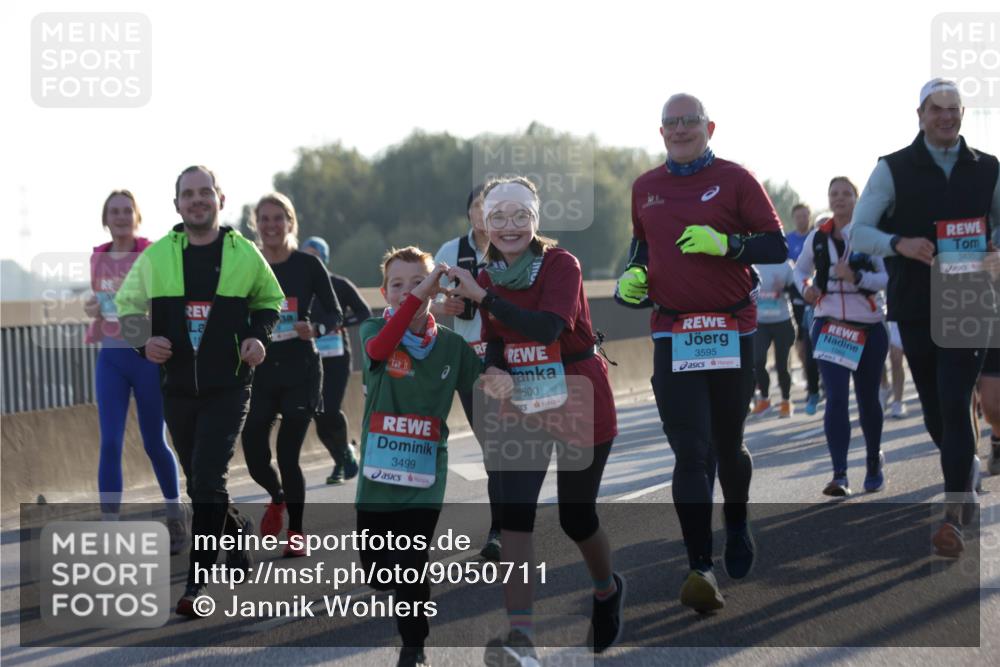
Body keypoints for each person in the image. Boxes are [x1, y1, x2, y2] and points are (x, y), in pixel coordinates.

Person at [616, 93, 787, 613]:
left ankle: (736, 521)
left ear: (709, 127)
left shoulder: (737, 179)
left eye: (691, 121)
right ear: (661, 131)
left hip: (733, 328)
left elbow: (777, 246)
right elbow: (643, 246)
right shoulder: (645, 187)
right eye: (672, 123)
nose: (681, 129)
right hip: (673, 330)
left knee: (727, 444)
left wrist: (728, 245)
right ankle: (700, 568)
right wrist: (633, 275)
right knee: (691, 450)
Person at [447, 175, 624, 662]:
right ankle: (521, 637)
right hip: (522, 401)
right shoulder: (484, 276)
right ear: (484, 221)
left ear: (534, 220)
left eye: (519, 216)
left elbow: (547, 326)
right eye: (497, 216)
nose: (507, 226)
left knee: (576, 517)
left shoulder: (561, 264)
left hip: (577, 392)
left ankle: (606, 590)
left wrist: (484, 299)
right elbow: (498, 339)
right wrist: (493, 370)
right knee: (516, 515)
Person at [116, 165, 284, 616]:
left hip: (228, 385)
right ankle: (236, 528)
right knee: (200, 484)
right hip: (177, 387)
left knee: (208, 479)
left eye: (204, 192)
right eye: (188, 194)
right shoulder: (157, 257)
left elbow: (271, 301)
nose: (197, 200)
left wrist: (258, 338)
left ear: (220, 199)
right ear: (176, 205)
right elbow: (126, 305)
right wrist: (142, 340)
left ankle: (196, 585)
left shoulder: (244, 252)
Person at [850, 78, 1000, 557]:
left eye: (954, 110)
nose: (947, 118)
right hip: (914, 302)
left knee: (956, 400)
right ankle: (966, 468)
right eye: (938, 110)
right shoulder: (892, 169)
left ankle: (953, 514)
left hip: (970, 299)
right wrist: (900, 245)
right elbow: (859, 233)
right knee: (937, 410)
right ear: (920, 114)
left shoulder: (989, 168)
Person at [356, 247, 481, 667]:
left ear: (436, 287)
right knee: (377, 573)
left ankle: (414, 649)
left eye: (419, 281)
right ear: (384, 292)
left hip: (425, 480)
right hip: (377, 481)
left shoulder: (451, 347)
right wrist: (421, 295)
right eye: (398, 284)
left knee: (413, 565)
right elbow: (378, 351)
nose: (409, 290)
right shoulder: (374, 330)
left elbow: (486, 387)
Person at [84, 190, 188, 551]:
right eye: (114, 211)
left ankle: (175, 515)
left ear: (137, 216)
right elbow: (103, 303)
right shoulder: (98, 257)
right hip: (110, 358)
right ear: (106, 217)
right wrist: (94, 308)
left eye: (127, 210)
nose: (121, 216)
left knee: (153, 441)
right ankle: (109, 526)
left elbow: (166, 298)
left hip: (146, 358)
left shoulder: (151, 252)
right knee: (110, 442)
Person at [240, 194, 342, 555]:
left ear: (290, 223)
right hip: (261, 372)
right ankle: (277, 496)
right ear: (256, 224)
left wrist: (314, 328)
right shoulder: (248, 265)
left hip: (301, 369)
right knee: (253, 451)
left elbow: (335, 314)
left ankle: (296, 533)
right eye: (264, 219)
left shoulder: (308, 266)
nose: (271, 225)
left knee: (287, 454)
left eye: (278, 218)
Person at [795, 177, 889, 496]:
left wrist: (857, 276)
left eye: (846, 193)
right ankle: (840, 475)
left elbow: (886, 277)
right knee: (835, 397)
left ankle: (874, 461)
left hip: (868, 326)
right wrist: (806, 289)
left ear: (856, 199)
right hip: (829, 323)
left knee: (867, 400)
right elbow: (799, 270)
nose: (839, 198)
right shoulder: (817, 238)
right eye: (834, 194)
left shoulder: (868, 235)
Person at [431, 184, 503, 561]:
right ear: (470, 213)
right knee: (492, 446)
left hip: (510, 358)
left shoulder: (513, 247)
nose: (485, 212)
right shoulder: (450, 253)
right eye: (479, 205)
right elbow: (426, 299)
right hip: (468, 362)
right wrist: (446, 306)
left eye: (492, 206)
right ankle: (502, 525)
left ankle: (503, 526)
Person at [300, 236, 372, 484]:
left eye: (315, 255)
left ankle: (342, 459)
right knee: (318, 414)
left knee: (330, 408)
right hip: (310, 358)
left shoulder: (339, 285)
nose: (310, 260)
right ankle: (341, 459)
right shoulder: (299, 286)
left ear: (324, 258)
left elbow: (364, 312)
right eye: (305, 255)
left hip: (338, 357)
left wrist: (340, 324)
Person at [787, 203, 823, 414]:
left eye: (805, 215)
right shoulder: (788, 240)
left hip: (818, 298)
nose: (802, 219)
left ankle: (817, 382)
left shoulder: (817, 236)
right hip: (797, 297)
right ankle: (812, 376)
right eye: (798, 216)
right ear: (794, 218)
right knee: (801, 343)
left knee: (815, 342)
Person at [750, 260, 797, 418]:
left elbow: (796, 292)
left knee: (782, 364)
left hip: (782, 320)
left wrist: (784, 288)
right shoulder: (753, 263)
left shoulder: (785, 265)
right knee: (758, 361)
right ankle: (764, 399)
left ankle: (786, 401)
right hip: (760, 322)